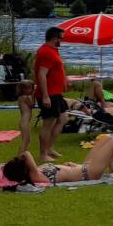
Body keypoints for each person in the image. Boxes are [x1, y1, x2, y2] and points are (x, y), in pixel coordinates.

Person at [0, 134, 113, 187]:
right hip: (89, 172)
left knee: (105, 138)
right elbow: (26, 153)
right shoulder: (36, 177)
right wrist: (9, 166)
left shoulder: (36, 172)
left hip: (83, 167)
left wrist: (69, 166)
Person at [34, 26, 68, 164]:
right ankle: (43, 154)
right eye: (61, 38)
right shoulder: (46, 52)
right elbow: (41, 75)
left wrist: (64, 80)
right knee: (48, 123)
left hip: (56, 92)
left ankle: (50, 148)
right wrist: (46, 96)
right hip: (49, 94)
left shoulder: (54, 51)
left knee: (63, 118)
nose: (63, 41)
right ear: (55, 39)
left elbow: (56, 69)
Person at [14, 80, 36, 157]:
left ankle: (24, 155)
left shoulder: (21, 97)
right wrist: (33, 95)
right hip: (24, 122)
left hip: (25, 122)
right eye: (31, 88)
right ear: (24, 89)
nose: (32, 90)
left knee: (28, 140)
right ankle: (20, 156)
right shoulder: (25, 97)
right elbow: (32, 105)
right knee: (25, 140)